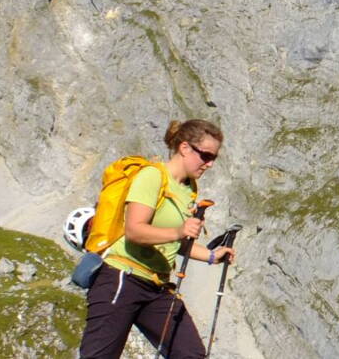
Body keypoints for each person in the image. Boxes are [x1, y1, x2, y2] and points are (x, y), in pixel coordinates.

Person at [79, 119, 236, 359]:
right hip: (122, 277)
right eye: (205, 156)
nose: (210, 164)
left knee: (190, 354)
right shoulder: (152, 177)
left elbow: (176, 241)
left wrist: (212, 255)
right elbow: (135, 231)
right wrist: (179, 231)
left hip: (156, 286)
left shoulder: (188, 188)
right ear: (185, 148)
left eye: (213, 158)